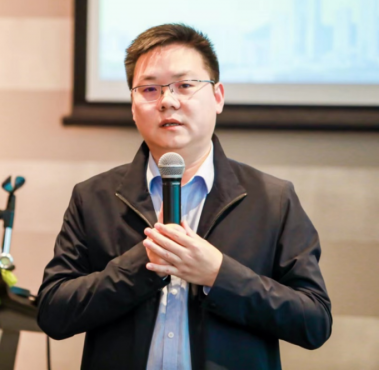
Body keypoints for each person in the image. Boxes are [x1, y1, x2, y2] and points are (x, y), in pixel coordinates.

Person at [37, 23, 332, 370]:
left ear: (217, 96)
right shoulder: (94, 198)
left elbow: (313, 321)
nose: (167, 101)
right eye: (149, 89)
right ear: (133, 105)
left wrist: (219, 275)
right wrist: (142, 265)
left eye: (185, 85)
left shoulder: (273, 200)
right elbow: (53, 312)